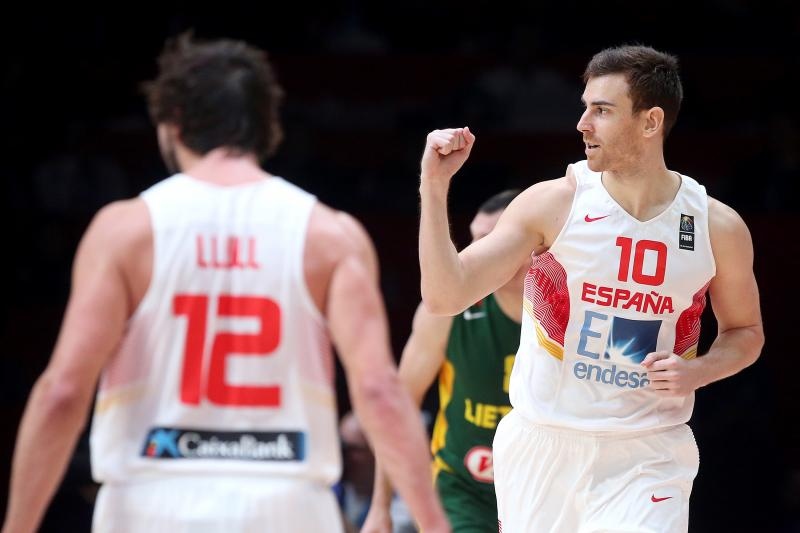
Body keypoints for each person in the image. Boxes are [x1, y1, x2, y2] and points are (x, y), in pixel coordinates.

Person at [1, 33, 449, 533]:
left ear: (171, 124)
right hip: (288, 503)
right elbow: (378, 390)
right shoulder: (330, 234)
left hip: (150, 503)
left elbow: (63, 391)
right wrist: (433, 524)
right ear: (267, 127)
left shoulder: (124, 230)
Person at [417, 45, 764, 532]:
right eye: (585, 107)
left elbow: (746, 331)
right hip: (543, 443)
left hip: (649, 448)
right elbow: (445, 296)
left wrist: (700, 371)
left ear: (650, 122)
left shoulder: (715, 226)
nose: (582, 123)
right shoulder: (552, 203)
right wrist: (433, 188)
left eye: (601, 110)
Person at [362, 189, 525, 533]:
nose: (471, 254)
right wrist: (380, 506)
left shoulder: (572, 309)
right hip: (463, 489)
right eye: (472, 240)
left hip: (544, 488)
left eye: (488, 241)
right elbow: (401, 403)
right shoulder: (449, 309)